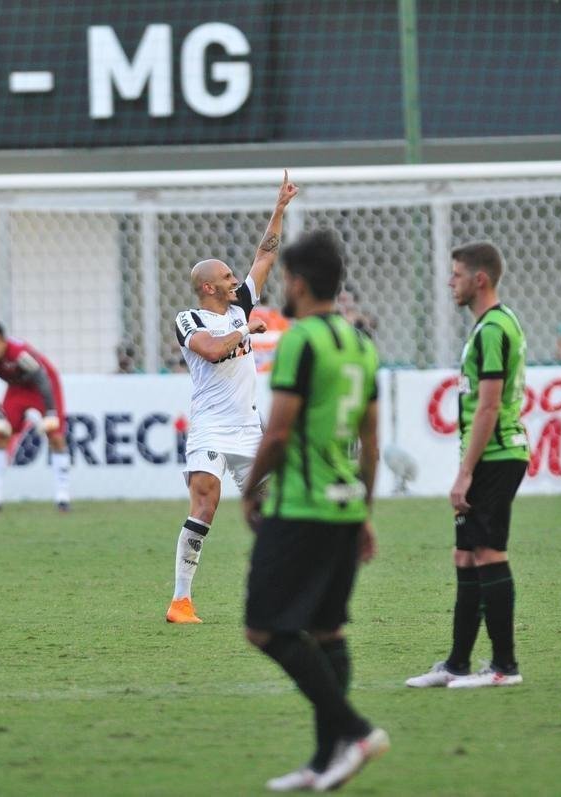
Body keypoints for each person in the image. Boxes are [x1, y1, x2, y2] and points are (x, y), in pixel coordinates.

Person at [239, 230, 388, 791]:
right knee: (326, 631)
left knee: (263, 628)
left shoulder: (300, 342)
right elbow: (372, 440)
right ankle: (328, 758)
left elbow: (277, 433)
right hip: (346, 504)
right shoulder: (362, 345)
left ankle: (354, 731)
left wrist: (252, 490)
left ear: (297, 282)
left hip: (301, 506)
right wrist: (366, 511)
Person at [165, 171, 299, 624]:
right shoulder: (189, 319)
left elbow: (264, 256)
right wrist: (248, 329)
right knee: (205, 505)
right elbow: (212, 350)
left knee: (273, 510)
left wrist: (279, 208)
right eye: (225, 275)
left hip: (247, 428)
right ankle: (181, 601)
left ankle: (279, 591)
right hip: (209, 427)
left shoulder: (241, 303)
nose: (233, 278)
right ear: (208, 287)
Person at [406, 241, 529, 690]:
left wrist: (465, 471)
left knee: (488, 553)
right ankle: (457, 663)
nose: (449, 282)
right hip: (489, 456)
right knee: (465, 553)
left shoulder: (493, 329)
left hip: (497, 456)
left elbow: (489, 407)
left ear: (480, 279)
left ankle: (504, 667)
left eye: (455, 274)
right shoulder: (490, 326)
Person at [0, 321, 71, 513]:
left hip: (43, 386)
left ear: (4, 342)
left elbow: (42, 378)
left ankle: (63, 496)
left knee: (55, 435)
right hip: (17, 388)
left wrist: (51, 412)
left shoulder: (19, 354)